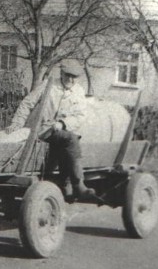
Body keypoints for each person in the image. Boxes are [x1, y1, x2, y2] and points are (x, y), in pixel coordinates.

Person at [6, 60, 95, 199]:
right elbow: (27, 103)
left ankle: (70, 182)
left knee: (70, 138)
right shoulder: (49, 85)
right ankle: (77, 184)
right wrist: (17, 123)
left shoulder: (78, 91)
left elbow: (80, 116)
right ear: (61, 73)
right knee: (70, 139)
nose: (70, 79)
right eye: (68, 75)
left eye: (74, 77)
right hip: (43, 130)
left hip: (61, 130)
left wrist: (63, 123)